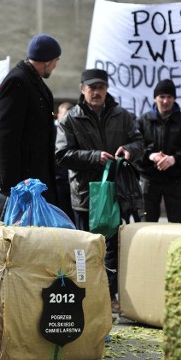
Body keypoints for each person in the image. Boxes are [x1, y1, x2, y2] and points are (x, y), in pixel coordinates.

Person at [56, 68, 144, 311]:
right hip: (86, 196)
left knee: (113, 248)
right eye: (92, 88)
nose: (96, 92)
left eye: (101, 88)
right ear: (83, 90)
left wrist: (130, 150)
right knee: (86, 248)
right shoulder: (70, 119)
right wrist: (94, 157)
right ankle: (86, 295)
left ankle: (109, 296)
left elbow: (139, 142)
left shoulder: (122, 116)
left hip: (117, 192)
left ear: (106, 90)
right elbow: (61, 155)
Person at [0, 34, 61, 205]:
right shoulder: (17, 81)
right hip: (21, 183)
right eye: (55, 60)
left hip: (36, 179)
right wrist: (8, 186)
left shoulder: (34, 82)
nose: (55, 65)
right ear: (47, 60)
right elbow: (6, 136)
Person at [135, 79, 181, 223]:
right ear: (155, 98)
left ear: (174, 98)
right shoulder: (142, 121)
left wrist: (174, 159)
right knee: (146, 222)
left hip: (174, 180)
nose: (165, 101)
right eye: (162, 97)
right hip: (148, 180)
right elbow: (134, 149)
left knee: (177, 222)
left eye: (169, 97)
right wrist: (150, 156)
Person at [54, 102, 74, 221]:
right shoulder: (53, 131)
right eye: (64, 115)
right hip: (58, 180)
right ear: (58, 115)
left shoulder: (73, 130)